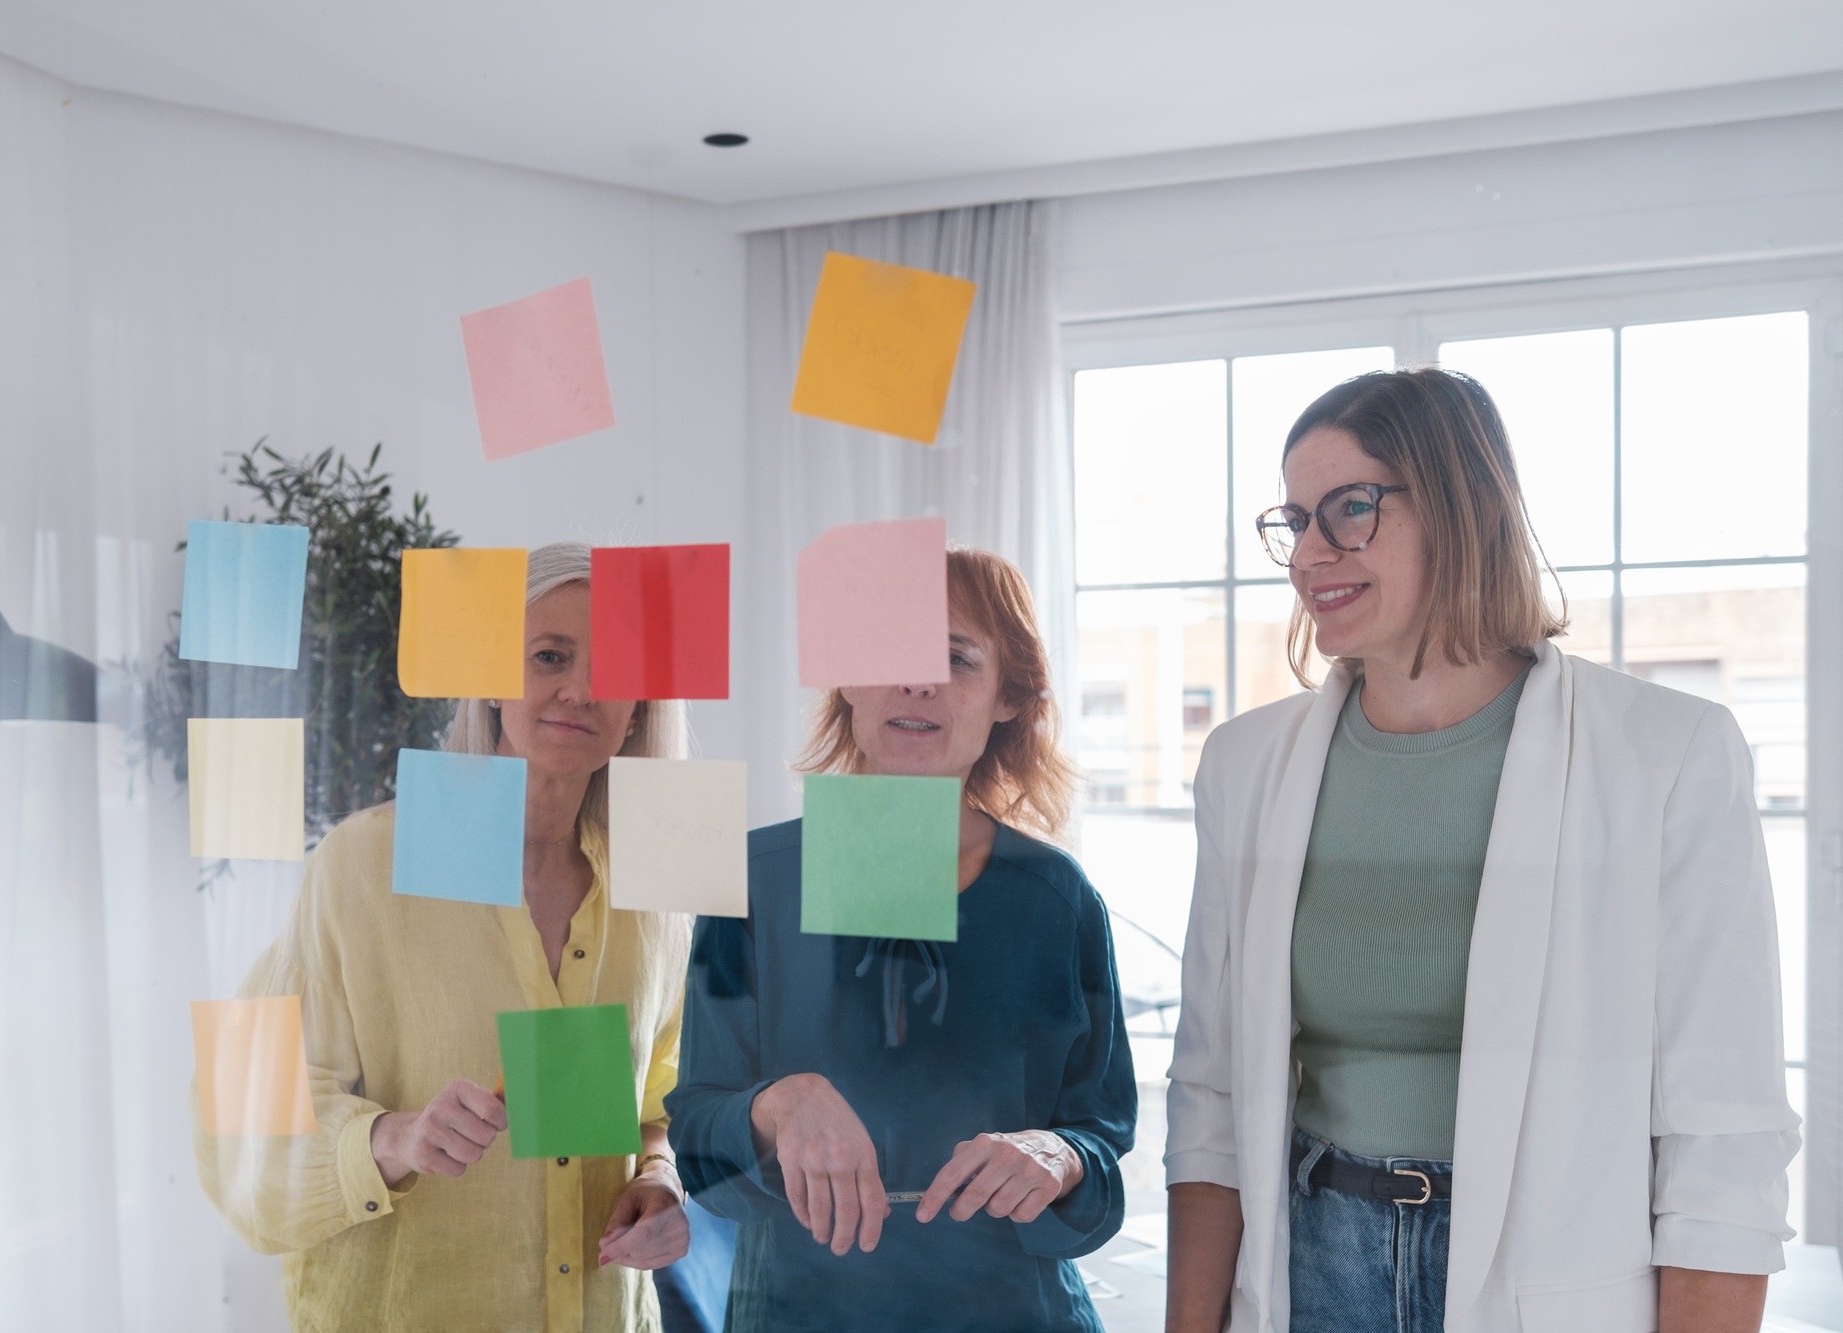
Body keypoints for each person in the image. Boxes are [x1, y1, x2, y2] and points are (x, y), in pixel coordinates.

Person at [1163, 369, 1799, 1333]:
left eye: (1352, 507)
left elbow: (1724, 1138)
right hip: (1309, 1266)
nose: (1310, 554)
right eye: (1294, 521)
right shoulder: (1245, 766)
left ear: (1464, 505)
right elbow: (1208, 1103)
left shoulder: (1667, 753)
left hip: (1550, 1282)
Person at [194, 542, 693, 1332]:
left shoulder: (656, 890)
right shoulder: (362, 860)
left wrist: (661, 1175)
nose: (582, 687)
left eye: (617, 667)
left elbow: (664, 1090)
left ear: (642, 708)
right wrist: (393, 1140)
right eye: (549, 655)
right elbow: (239, 1116)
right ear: (492, 679)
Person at [669, 546, 1136, 1332]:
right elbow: (697, 1135)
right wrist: (775, 1108)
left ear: (1008, 697)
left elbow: (1103, 1135)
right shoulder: (753, 881)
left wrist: (1061, 1158)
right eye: (892, 650)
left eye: (955, 656)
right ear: (847, 677)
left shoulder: (1057, 901)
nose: (919, 679)